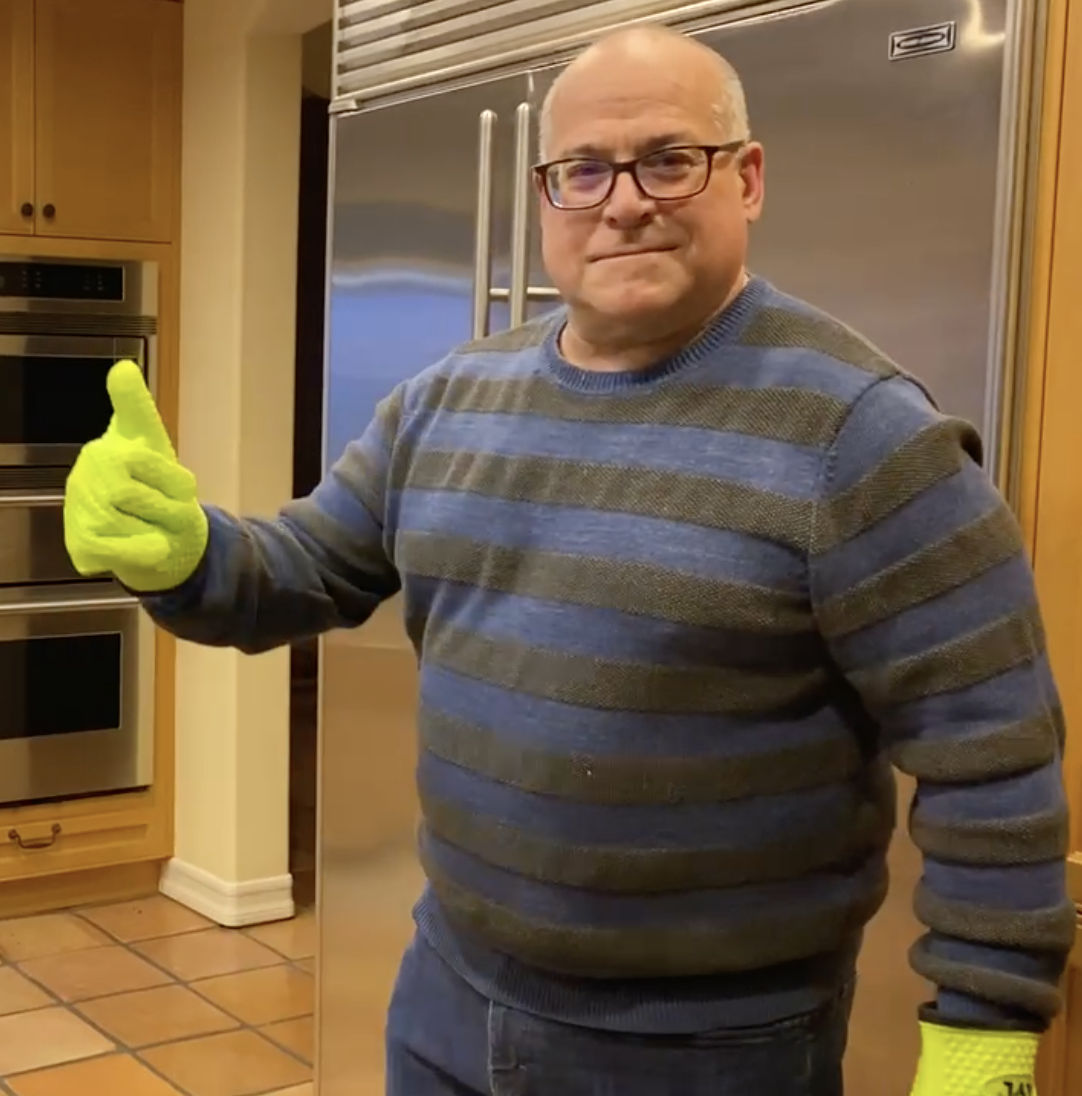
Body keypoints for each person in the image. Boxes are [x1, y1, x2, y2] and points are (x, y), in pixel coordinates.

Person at [61, 23, 1072, 1096]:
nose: (622, 200)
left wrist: (984, 1039)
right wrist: (181, 551)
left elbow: (991, 755)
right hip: (447, 994)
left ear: (748, 178)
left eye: (668, 159)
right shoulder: (445, 400)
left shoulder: (862, 437)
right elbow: (301, 569)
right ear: (544, 195)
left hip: (714, 1048)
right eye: (583, 170)